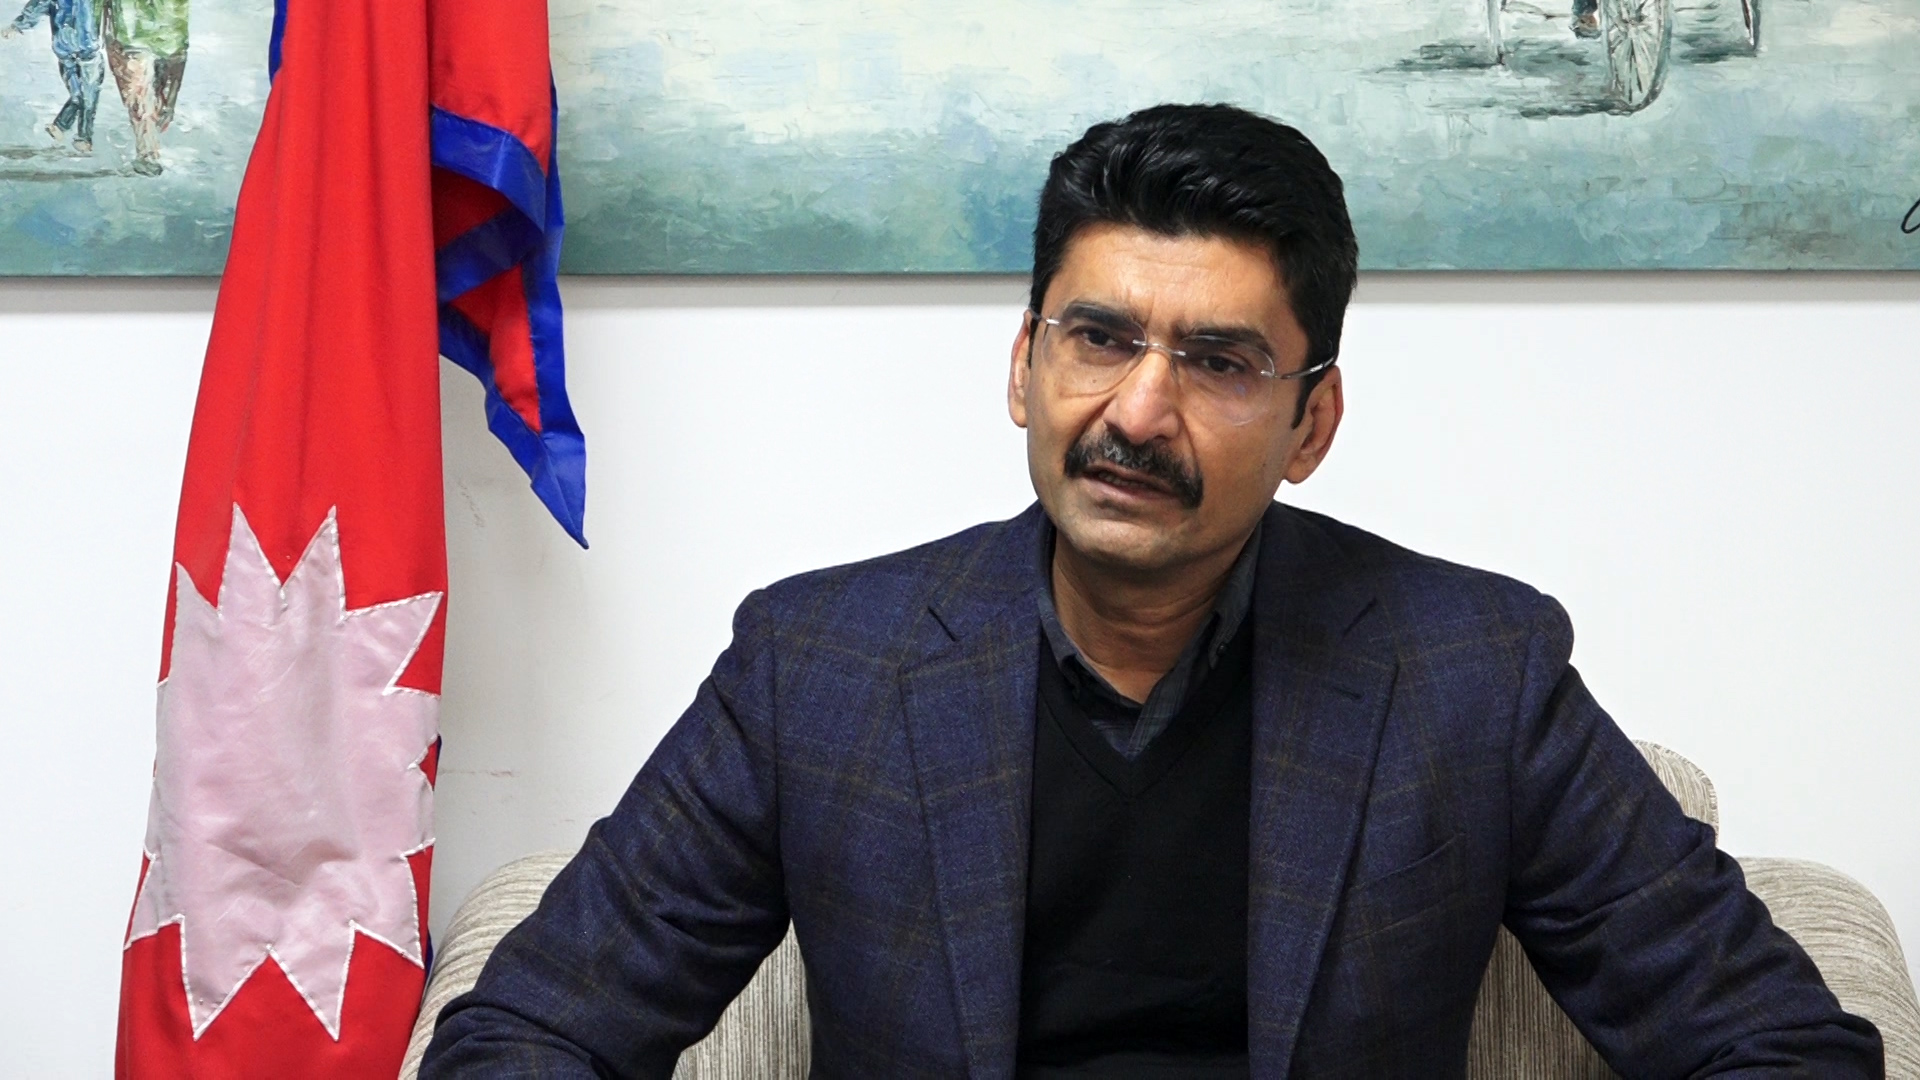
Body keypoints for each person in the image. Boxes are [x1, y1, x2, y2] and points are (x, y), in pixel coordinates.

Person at [420, 104, 1883, 1077]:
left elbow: (1773, 1042)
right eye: (1100, 337)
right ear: (1024, 364)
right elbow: (535, 1033)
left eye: (1220, 362)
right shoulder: (820, 666)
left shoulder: (1471, 670)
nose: (1137, 410)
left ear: (1312, 422)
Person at [3, 0, 104, 156]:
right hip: (79, 47)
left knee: (81, 94)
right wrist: (17, 25)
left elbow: (38, 5)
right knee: (85, 93)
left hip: (73, 48)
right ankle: (80, 136)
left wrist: (18, 25)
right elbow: (39, 4)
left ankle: (65, 129)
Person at [100, 0, 186, 175]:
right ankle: (147, 154)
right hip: (133, 35)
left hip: (169, 35)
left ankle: (150, 139)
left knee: (159, 102)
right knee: (140, 97)